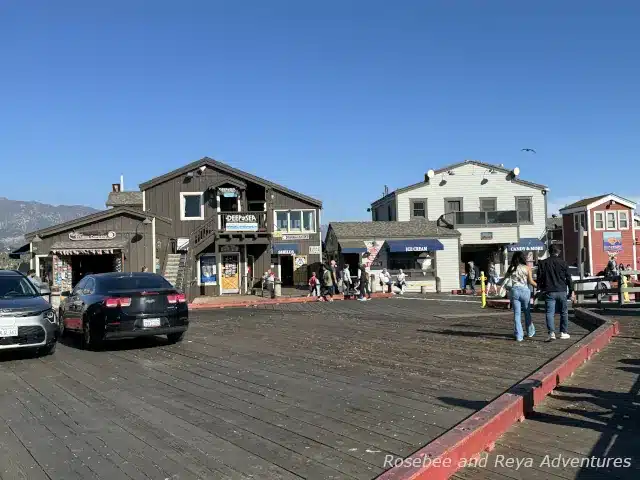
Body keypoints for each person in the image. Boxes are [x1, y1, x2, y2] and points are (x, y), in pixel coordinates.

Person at [537, 244, 574, 341]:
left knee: (549, 313)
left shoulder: (543, 263)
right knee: (564, 312)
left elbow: (539, 277)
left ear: (549, 251)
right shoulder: (563, 263)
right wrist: (571, 291)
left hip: (549, 291)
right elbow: (568, 278)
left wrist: (540, 287)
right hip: (561, 290)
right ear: (558, 252)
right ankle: (563, 332)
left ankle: (551, 333)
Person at [504, 251, 537, 342]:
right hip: (525, 291)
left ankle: (519, 336)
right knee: (527, 312)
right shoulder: (527, 268)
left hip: (514, 291)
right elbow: (530, 281)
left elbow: (505, 279)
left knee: (517, 314)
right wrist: (539, 286)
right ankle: (530, 332)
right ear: (523, 258)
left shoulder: (511, 268)